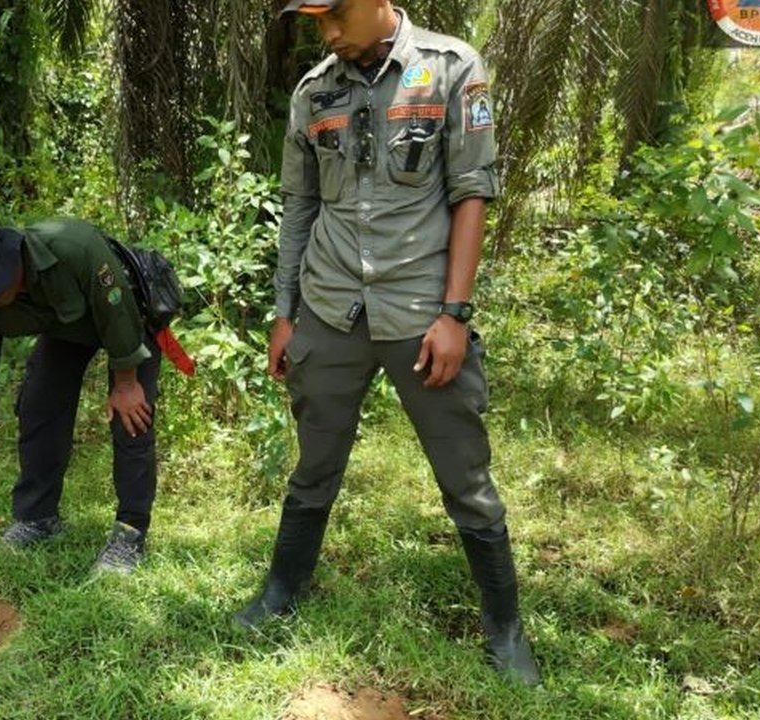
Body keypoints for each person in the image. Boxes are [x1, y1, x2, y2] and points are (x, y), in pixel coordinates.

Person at [234, 0, 541, 686]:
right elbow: (301, 209)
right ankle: (281, 592)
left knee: (465, 478)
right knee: (314, 465)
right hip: (330, 308)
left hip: (420, 315)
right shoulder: (315, 91)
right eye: (317, 23)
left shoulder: (451, 68)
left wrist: (455, 314)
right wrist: (285, 312)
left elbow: (472, 193)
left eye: (336, 15)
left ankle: (506, 630)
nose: (329, 33)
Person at [0, 209, 160, 574]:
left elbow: (117, 314)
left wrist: (127, 383)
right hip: (67, 329)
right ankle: (37, 519)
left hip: (127, 315)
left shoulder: (73, 247)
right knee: (38, 403)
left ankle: (129, 533)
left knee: (131, 416)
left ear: (7, 260)